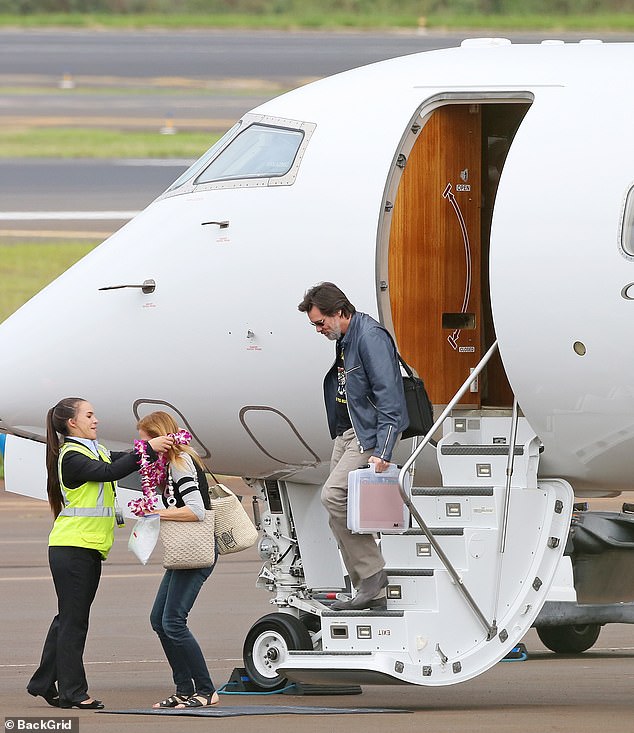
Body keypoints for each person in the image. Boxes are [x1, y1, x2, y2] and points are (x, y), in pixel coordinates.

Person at [27, 397, 173, 710]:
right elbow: (109, 471)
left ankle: (43, 681)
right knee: (74, 622)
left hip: (86, 546)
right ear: (72, 423)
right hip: (74, 548)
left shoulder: (93, 449)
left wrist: (151, 451)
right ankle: (73, 692)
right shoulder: (72, 456)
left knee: (68, 618)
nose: (96, 420)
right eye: (90, 415)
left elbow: (118, 460)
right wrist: (146, 450)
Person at [298, 282, 409, 611]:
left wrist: (383, 450)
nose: (319, 330)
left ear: (340, 312)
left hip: (368, 435)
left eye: (321, 323)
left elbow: (391, 399)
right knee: (336, 510)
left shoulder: (370, 337)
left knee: (332, 495)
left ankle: (373, 577)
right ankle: (366, 589)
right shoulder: (346, 337)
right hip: (347, 433)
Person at [137, 411, 219, 709]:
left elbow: (196, 510)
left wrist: (155, 513)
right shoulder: (173, 464)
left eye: (147, 440)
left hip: (196, 551)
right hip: (185, 552)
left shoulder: (180, 463)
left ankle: (206, 689)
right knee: (159, 620)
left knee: (173, 621)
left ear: (160, 437)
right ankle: (184, 689)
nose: (144, 447)